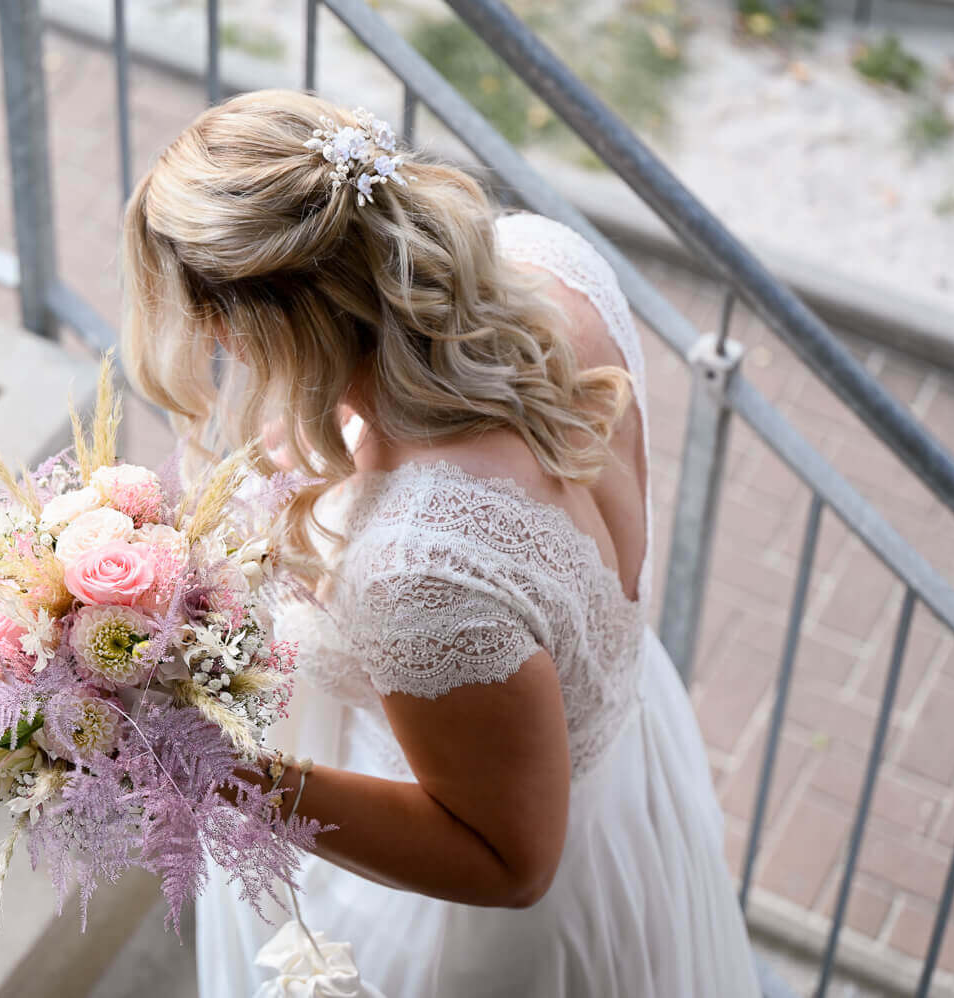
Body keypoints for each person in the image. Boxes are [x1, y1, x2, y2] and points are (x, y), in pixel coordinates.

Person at [120, 89, 761, 997]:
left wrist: (225, 772)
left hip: (465, 930)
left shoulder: (416, 568)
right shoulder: (543, 263)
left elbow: (508, 862)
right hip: (620, 776)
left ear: (258, 329)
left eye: (216, 327)